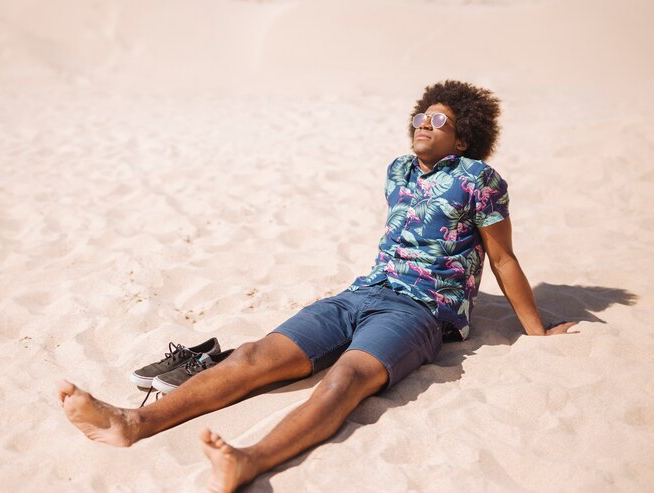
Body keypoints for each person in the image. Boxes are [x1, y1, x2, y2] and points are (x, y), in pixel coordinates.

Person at [58, 80, 576, 492]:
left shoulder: (479, 179)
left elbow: (503, 257)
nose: (424, 124)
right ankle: (131, 423)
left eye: (439, 120)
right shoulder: (398, 170)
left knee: (345, 379)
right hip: (361, 293)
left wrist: (536, 331)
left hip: (418, 311)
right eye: (420, 116)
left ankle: (248, 460)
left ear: (462, 138)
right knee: (252, 358)